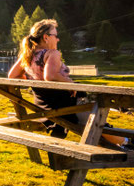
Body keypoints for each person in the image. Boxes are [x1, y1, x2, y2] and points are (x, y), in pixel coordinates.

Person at [8, 19, 129, 148]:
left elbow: (12, 76)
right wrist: (70, 82)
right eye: (55, 35)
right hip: (66, 107)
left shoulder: (27, 56)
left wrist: (32, 77)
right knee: (96, 121)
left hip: (44, 106)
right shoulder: (52, 53)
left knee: (94, 119)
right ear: (45, 37)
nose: (58, 39)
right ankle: (127, 142)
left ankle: (124, 142)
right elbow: (50, 76)